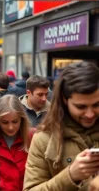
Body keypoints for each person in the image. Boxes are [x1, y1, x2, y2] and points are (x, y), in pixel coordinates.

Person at [24, 62, 99, 190]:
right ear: (64, 99)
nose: (90, 114)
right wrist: (70, 176)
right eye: (81, 107)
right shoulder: (44, 138)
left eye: (97, 105)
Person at [0, 95, 32, 191]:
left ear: (22, 119)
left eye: (15, 121)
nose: (10, 127)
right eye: (5, 122)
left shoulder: (32, 137)